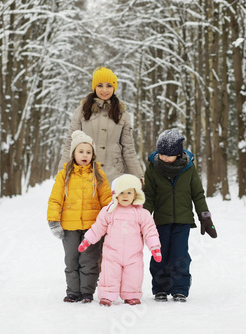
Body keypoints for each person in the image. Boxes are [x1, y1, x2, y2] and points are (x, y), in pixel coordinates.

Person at [143, 129, 217, 303]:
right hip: (160, 221)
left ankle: (180, 289)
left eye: (168, 155)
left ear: (177, 153)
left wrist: (204, 216)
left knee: (179, 255)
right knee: (159, 255)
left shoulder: (188, 168)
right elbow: (149, 196)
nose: (163, 158)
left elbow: (197, 193)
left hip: (183, 221)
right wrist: (143, 219)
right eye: (161, 154)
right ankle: (160, 288)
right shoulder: (153, 168)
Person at [47, 130, 112, 303]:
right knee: (71, 259)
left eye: (89, 152)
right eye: (81, 151)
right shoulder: (64, 175)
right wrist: (54, 220)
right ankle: (73, 292)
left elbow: (107, 200)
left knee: (89, 260)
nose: (85, 155)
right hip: (69, 227)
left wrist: (109, 221)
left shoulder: (98, 175)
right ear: (73, 153)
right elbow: (55, 199)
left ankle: (87, 293)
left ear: (93, 155)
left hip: (93, 227)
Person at [78, 174, 162, 306]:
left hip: (133, 254)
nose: (125, 196)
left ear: (135, 195)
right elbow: (98, 227)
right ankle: (107, 295)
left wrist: (155, 248)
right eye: (121, 192)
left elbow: (150, 231)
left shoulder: (141, 213)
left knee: (133, 276)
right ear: (115, 194)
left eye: (129, 192)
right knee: (109, 274)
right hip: (112, 253)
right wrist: (87, 240)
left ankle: (131, 295)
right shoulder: (108, 211)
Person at [58, 66, 144, 185]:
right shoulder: (82, 111)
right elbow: (70, 144)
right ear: (94, 87)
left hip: (114, 176)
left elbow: (128, 148)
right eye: (100, 85)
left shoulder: (123, 114)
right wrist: (62, 173)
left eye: (109, 86)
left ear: (114, 88)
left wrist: (138, 176)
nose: (104, 90)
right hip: (85, 175)